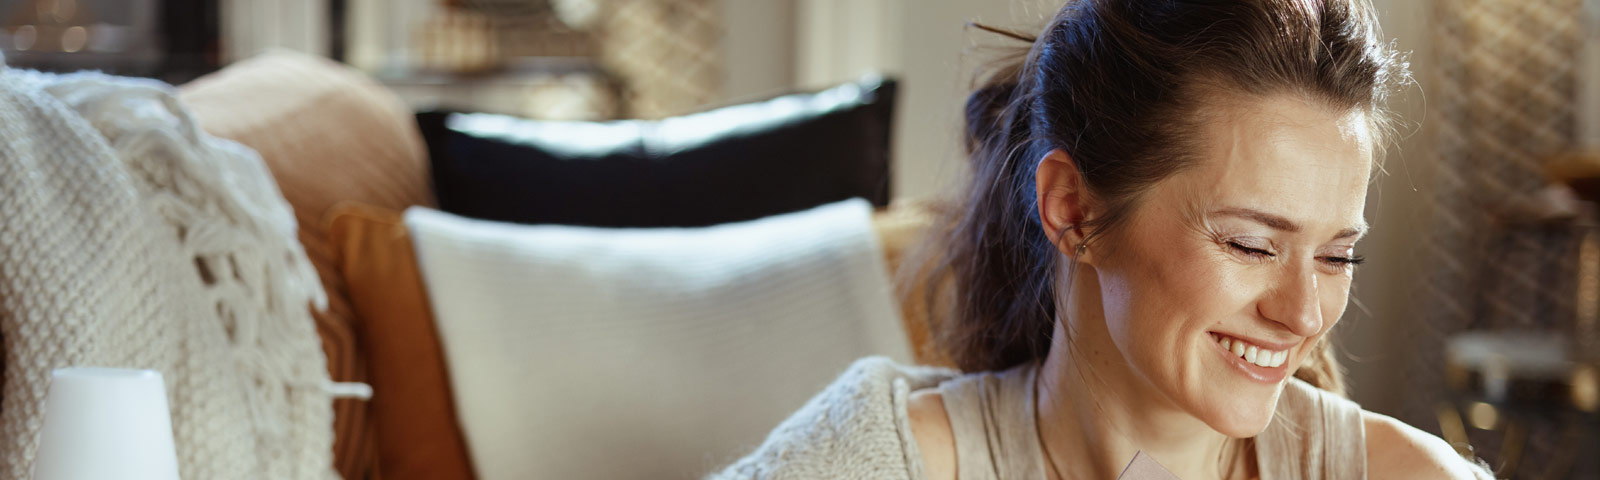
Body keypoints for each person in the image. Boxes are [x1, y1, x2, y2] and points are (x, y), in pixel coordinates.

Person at [711, 0, 1494, 478]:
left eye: (1335, 256)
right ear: (1073, 210)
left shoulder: (1408, 477)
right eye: (1252, 245)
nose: (1303, 314)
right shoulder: (887, 456)